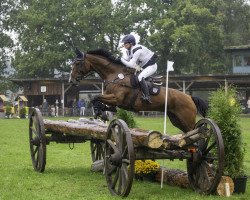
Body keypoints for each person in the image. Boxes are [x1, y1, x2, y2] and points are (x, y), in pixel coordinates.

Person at [120, 34, 158, 104]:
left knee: (140, 77)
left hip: (151, 66)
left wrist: (121, 60)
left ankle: (147, 96)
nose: (124, 44)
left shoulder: (137, 50)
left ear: (131, 43)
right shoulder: (129, 50)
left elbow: (131, 64)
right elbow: (126, 59)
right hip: (143, 67)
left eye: (125, 43)